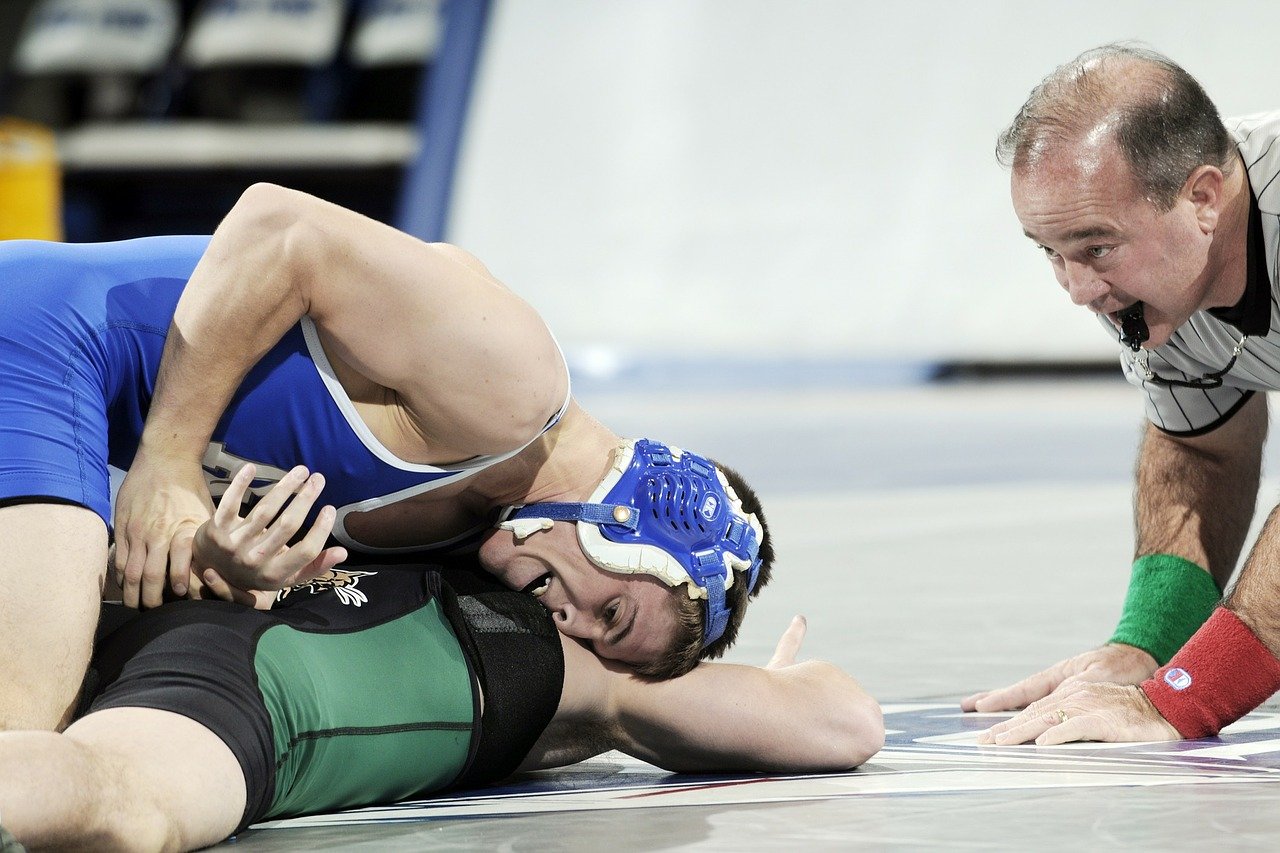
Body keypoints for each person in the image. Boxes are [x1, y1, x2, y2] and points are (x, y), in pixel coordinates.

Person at [0, 184, 773, 732]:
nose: (568, 624)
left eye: (594, 638)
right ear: (636, 523)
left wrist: (216, 561)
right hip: (47, 334)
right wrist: (166, 461)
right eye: (610, 611)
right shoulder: (512, 383)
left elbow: (117, 564)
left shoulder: (464, 536)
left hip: (55, 391)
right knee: (27, 721)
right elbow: (280, 226)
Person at [0, 501, 879, 851]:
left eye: (618, 628)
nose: (575, 617)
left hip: (225, 665)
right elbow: (844, 720)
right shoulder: (453, 509)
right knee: (119, 799)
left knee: (116, 797)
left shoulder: (593, 662)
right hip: (240, 667)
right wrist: (781, 685)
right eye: (608, 603)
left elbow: (840, 725)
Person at [963, 43, 1280, 745]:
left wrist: (1185, 698)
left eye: (1095, 248)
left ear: (1202, 198)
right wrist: (1147, 648)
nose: (1076, 290)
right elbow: (1205, 452)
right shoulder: (1166, 274)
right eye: (1050, 252)